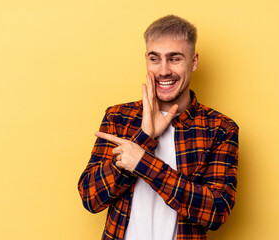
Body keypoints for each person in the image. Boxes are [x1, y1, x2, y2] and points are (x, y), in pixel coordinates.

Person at [78, 15, 239, 240]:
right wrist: (144, 137)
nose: (164, 71)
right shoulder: (118, 118)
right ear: (146, 59)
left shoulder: (220, 129)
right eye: (155, 59)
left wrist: (143, 163)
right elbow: (90, 198)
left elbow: (216, 212)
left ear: (193, 61)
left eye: (175, 59)